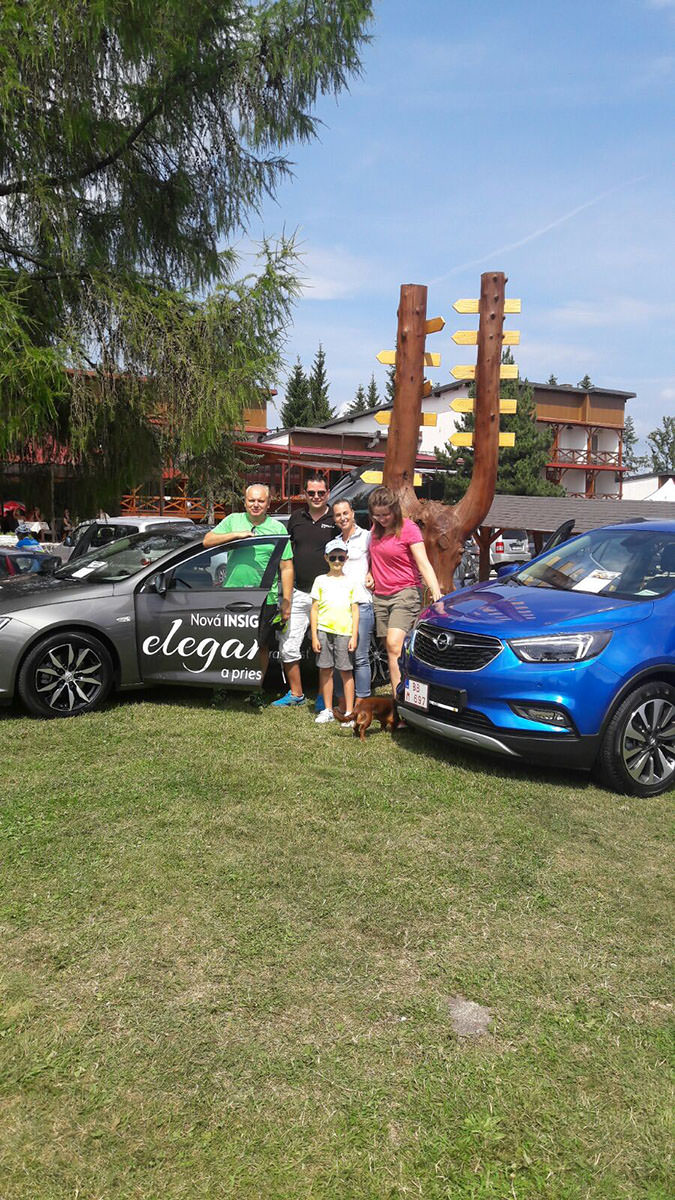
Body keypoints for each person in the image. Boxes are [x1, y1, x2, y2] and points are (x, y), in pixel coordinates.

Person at [203, 483, 293, 702]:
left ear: (268, 503)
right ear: (244, 502)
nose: (256, 504)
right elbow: (207, 541)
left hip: (265, 596)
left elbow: (287, 567)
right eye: (251, 500)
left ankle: (255, 690)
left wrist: (286, 601)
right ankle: (221, 687)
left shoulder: (277, 529)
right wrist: (235, 535)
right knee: (226, 643)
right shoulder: (233, 520)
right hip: (232, 594)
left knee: (260, 645)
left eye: (261, 501)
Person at [366, 486, 442, 695]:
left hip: (405, 592)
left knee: (393, 644)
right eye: (377, 515)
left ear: (395, 510)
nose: (382, 519)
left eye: (386, 514)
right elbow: (374, 557)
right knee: (392, 651)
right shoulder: (375, 530)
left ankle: (405, 695)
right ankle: (399, 698)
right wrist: (369, 572)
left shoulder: (409, 529)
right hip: (380, 596)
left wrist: (436, 591)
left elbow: (423, 563)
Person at [273, 473, 337, 707]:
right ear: (305, 494)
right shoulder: (296, 518)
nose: (316, 496)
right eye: (311, 493)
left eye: (321, 492)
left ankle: (323, 696)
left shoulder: (336, 518)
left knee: (326, 648)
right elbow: (285, 553)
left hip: (328, 595)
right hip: (299, 593)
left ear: (327, 493)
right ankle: (296, 693)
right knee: (288, 645)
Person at [310, 538, 358, 725]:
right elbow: (314, 609)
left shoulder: (351, 581)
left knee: (346, 671)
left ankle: (349, 712)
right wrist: (314, 636)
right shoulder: (320, 580)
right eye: (333, 558)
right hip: (323, 631)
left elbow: (355, 610)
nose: (337, 561)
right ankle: (328, 709)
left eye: (341, 557)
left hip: (344, 632)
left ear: (346, 558)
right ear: (326, 558)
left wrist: (354, 636)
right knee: (325, 670)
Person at [332, 498, 374, 698]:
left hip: (362, 603)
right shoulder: (334, 543)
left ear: (353, 513)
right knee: (341, 656)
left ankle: (362, 701)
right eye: (338, 515)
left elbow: (378, 561)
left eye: (345, 513)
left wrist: (372, 573)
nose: (342, 518)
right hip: (340, 607)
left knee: (360, 657)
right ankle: (343, 702)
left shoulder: (367, 537)